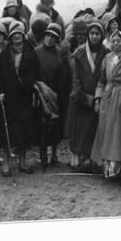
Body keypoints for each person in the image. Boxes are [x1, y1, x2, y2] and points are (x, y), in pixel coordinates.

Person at [91, 31, 121, 179]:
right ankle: (108, 169)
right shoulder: (107, 58)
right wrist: (98, 98)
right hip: (108, 96)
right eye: (113, 41)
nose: (116, 43)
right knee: (106, 131)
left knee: (119, 133)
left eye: (118, 40)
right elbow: (102, 80)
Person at [0, 21, 41, 175]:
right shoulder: (5, 53)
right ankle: (7, 163)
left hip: (25, 98)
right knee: (7, 131)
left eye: (19, 34)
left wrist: (34, 87)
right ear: (10, 36)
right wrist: (0, 91)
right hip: (9, 98)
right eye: (14, 34)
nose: (17, 36)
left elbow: (37, 73)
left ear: (23, 35)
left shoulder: (30, 52)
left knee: (24, 130)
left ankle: (22, 162)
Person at [68, 21, 110, 170]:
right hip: (82, 98)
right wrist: (83, 97)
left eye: (97, 34)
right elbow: (76, 78)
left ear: (102, 35)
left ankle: (94, 160)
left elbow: (106, 77)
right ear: (87, 35)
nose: (94, 36)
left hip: (99, 98)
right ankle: (82, 159)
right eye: (91, 33)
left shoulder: (106, 53)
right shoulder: (79, 53)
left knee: (95, 129)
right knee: (82, 130)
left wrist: (99, 98)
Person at [34, 23, 72, 170]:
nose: (50, 39)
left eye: (53, 37)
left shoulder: (60, 54)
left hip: (56, 94)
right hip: (41, 94)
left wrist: (59, 93)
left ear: (57, 39)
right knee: (42, 126)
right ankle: (43, 155)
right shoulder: (36, 52)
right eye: (48, 35)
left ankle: (54, 154)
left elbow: (64, 76)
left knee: (55, 126)